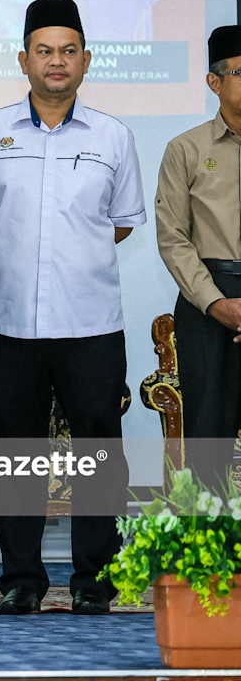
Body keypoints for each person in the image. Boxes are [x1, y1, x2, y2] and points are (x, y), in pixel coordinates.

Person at [0, 0, 146, 616]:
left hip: (90, 320)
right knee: (16, 450)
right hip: (9, 318)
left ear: (87, 60)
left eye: (69, 51)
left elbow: (118, 223)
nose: (57, 62)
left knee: (98, 447)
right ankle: (23, 579)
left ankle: (96, 577)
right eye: (45, 51)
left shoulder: (114, 136)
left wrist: (68, 255)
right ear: (24, 59)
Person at [155, 25, 241, 495]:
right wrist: (215, 303)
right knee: (210, 446)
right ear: (215, 83)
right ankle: (215, 563)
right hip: (208, 306)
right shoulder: (186, 149)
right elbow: (173, 238)